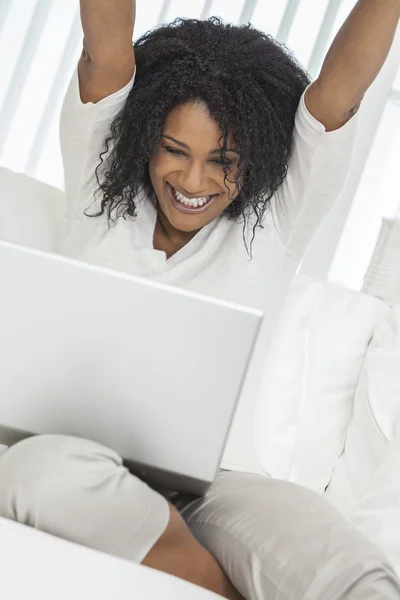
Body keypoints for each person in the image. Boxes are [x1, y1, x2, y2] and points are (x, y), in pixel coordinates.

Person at [1, 2, 400, 599]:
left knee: (350, 571)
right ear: (143, 137)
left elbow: (339, 91)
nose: (193, 182)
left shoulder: (274, 223)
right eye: (175, 150)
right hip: (82, 463)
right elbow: (106, 45)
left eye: (223, 161)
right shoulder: (100, 184)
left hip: (222, 485)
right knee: (37, 475)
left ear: (256, 162)